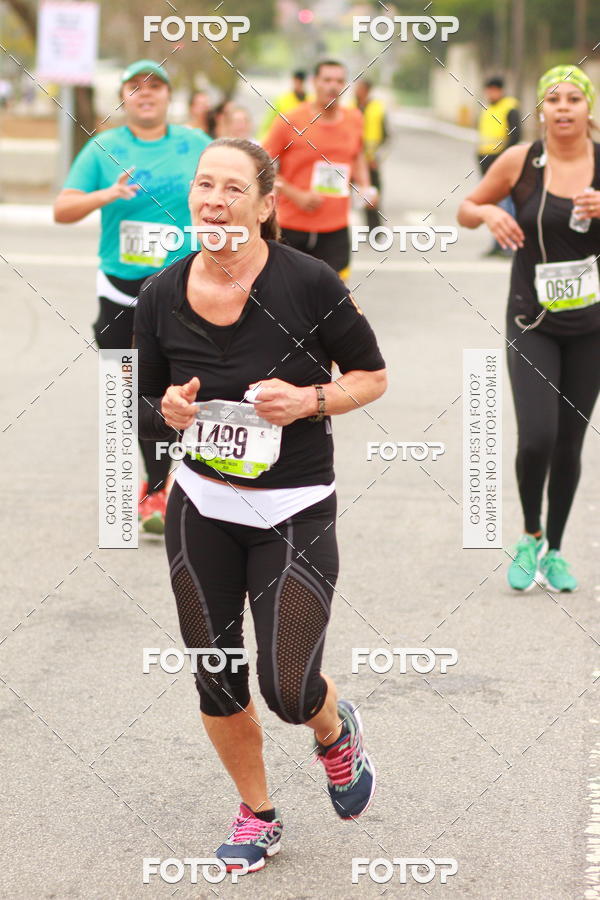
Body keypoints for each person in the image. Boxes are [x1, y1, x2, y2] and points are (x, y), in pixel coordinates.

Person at [134, 138, 387, 872]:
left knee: (286, 686)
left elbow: (371, 376)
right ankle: (257, 813)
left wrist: (309, 400)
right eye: (204, 186)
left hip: (295, 509)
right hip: (202, 507)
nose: (214, 200)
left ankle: (335, 732)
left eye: (232, 188)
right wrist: (168, 415)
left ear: (265, 204)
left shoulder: (310, 283)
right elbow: (136, 403)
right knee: (215, 670)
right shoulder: (160, 294)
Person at [458, 65, 600, 592]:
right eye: (553, 99)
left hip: (590, 325)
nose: (563, 108)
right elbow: (465, 209)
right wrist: (489, 216)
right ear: (541, 110)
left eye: (573, 99)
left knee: (570, 442)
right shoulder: (522, 161)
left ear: (588, 108)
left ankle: (557, 550)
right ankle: (529, 534)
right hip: (531, 320)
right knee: (537, 436)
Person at [54, 59, 211, 534]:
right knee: (127, 395)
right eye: (135, 87)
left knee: (188, 389)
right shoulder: (104, 147)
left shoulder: (195, 144)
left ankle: (177, 489)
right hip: (120, 293)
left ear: (168, 97)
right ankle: (153, 487)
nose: (145, 94)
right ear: (123, 97)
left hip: (184, 289)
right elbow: (63, 209)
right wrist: (105, 195)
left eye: (155, 87)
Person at [263, 60, 376, 282]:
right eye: (326, 80)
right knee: (288, 295)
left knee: (334, 297)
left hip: (335, 226)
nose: (333, 86)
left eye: (339, 81)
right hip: (291, 225)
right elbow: (261, 166)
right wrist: (295, 194)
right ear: (314, 83)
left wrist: (365, 185)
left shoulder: (355, 119)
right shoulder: (290, 120)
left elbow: (357, 155)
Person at [478, 76, 522, 256]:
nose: (490, 93)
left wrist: (505, 162)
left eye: (493, 89)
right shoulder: (487, 109)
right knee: (493, 208)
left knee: (507, 207)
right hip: (486, 164)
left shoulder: (510, 107)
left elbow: (515, 136)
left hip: (501, 165)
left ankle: (509, 245)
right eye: (488, 89)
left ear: (500, 90)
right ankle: (496, 244)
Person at [353, 78, 388, 231]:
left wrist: (377, 158)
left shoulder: (377, 108)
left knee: (371, 197)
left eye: (359, 88)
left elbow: (387, 136)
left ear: (367, 90)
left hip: (370, 161)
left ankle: (375, 230)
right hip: (351, 161)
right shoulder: (349, 107)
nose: (356, 91)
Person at [258, 70, 307, 140]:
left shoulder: (312, 100)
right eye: (296, 81)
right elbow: (269, 121)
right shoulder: (281, 100)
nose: (298, 84)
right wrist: (262, 139)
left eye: (301, 82)